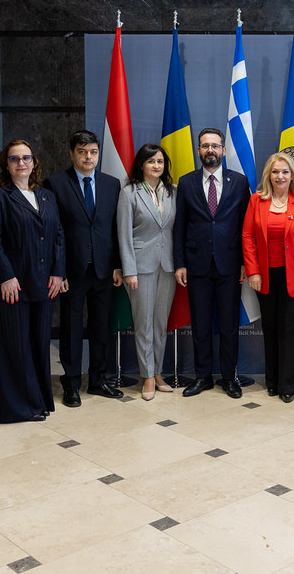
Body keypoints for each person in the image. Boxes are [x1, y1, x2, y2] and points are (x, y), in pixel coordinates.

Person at [0, 140, 65, 423]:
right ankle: (19, 408)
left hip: (43, 284)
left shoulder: (46, 196)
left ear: (34, 162)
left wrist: (58, 272)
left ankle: (39, 401)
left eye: (26, 158)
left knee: (38, 344)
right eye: (14, 159)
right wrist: (5, 276)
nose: (21, 163)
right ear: (5, 164)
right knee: (14, 347)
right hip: (12, 286)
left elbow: (58, 236)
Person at [44, 130, 124, 407]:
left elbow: (115, 229)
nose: (88, 157)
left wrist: (118, 265)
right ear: (72, 153)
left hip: (104, 270)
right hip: (72, 271)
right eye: (82, 151)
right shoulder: (55, 183)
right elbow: (53, 231)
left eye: (93, 152)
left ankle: (98, 380)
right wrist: (59, 270)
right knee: (71, 329)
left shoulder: (112, 184)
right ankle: (72, 383)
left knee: (101, 327)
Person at [173, 128, 250, 398]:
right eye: (205, 146)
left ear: (224, 150)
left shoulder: (239, 181)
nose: (210, 150)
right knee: (201, 325)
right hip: (197, 265)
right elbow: (180, 226)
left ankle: (230, 377)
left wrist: (246, 263)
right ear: (198, 150)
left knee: (229, 326)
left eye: (215, 146)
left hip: (230, 265)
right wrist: (180, 263)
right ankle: (202, 377)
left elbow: (246, 226)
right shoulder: (186, 182)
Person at [243, 153, 294, 402]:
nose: (280, 176)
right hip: (265, 275)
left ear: (292, 175)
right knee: (270, 327)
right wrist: (253, 271)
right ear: (269, 175)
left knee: (290, 329)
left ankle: (287, 385)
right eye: (275, 172)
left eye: (285, 171)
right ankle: (272, 381)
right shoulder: (256, 200)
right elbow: (247, 237)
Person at [117, 144, 176, 400]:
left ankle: (158, 371)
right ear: (141, 164)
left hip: (167, 266)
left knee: (160, 324)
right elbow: (123, 235)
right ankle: (147, 376)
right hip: (140, 267)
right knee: (143, 324)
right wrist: (129, 270)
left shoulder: (173, 192)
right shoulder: (129, 192)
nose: (156, 165)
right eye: (151, 161)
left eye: (160, 161)